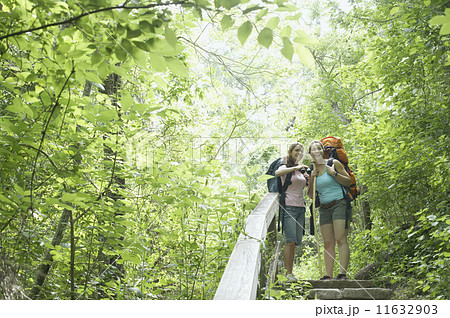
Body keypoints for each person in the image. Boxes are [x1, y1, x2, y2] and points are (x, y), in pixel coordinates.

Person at [307, 140, 352, 280]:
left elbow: (348, 181)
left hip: (340, 203)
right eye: (313, 150)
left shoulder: (333, 163)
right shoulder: (312, 170)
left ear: (323, 150)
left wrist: (334, 174)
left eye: (319, 148)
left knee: (340, 239)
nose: (317, 151)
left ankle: (342, 274)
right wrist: (312, 179)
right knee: (327, 242)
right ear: (310, 154)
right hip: (324, 208)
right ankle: (328, 275)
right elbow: (310, 195)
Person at [275, 142, 310, 282]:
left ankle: (291, 272)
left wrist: (309, 178)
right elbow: (277, 173)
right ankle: (288, 274)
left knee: (295, 242)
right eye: (297, 150)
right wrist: (296, 167)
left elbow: (306, 190)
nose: (299, 153)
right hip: (288, 207)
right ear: (290, 152)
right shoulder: (286, 167)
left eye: (301, 151)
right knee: (290, 241)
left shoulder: (300, 172)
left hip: (300, 208)